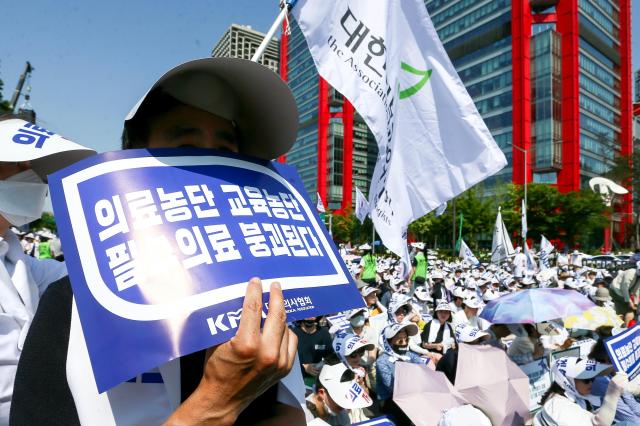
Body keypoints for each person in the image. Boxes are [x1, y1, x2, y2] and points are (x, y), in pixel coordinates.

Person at [11, 57, 304, 425]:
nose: (209, 167)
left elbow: (288, 415)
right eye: (186, 145)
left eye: (226, 151)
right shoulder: (71, 307)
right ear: (132, 161)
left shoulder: (260, 309)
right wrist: (218, 400)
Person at [0, 115, 95, 424]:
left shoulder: (17, 262)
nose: (37, 181)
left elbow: (86, 272)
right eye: (23, 167)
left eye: (39, 173)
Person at [534, 357, 628, 426]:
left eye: (593, 378)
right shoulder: (557, 406)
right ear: (568, 381)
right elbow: (597, 424)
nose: (591, 383)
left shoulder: (573, 398)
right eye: (586, 380)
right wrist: (612, 394)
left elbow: (585, 417)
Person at [376, 323, 425, 425]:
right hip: (390, 400)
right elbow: (393, 388)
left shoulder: (408, 355)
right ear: (389, 342)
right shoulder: (382, 361)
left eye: (406, 340)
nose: (404, 343)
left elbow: (424, 369)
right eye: (400, 340)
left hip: (411, 394)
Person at [589, 339, 640, 424]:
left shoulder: (613, 371)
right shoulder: (600, 381)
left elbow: (630, 400)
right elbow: (627, 415)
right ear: (608, 360)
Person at [305, 363, 372, 426]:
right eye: (341, 398)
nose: (345, 406)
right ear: (322, 393)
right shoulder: (303, 415)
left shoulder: (342, 414)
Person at [293, 316, 334, 387]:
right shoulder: (293, 334)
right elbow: (287, 359)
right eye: (307, 315)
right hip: (296, 379)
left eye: (313, 315)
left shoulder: (324, 333)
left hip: (317, 380)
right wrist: (304, 367)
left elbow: (330, 356)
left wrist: (321, 365)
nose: (310, 317)